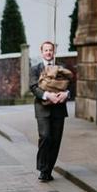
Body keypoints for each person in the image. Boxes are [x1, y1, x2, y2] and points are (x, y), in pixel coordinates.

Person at [30, 41, 71, 182]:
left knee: (55, 141)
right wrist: (48, 96)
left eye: (51, 50)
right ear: (42, 52)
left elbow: (70, 85)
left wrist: (66, 94)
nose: (48, 52)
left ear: (54, 52)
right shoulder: (36, 69)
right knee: (45, 137)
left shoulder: (62, 68)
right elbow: (33, 87)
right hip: (42, 109)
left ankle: (48, 170)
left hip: (59, 110)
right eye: (46, 50)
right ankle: (42, 169)